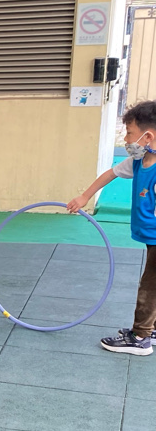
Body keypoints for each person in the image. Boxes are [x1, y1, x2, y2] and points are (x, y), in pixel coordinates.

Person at [68, 100, 156, 355]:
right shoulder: (139, 161)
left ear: (147, 136)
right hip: (151, 237)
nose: (126, 139)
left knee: (149, 287)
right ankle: (150, 328)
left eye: (129, 133)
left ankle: (141, 337)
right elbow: (110, 174)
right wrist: (84, 196)